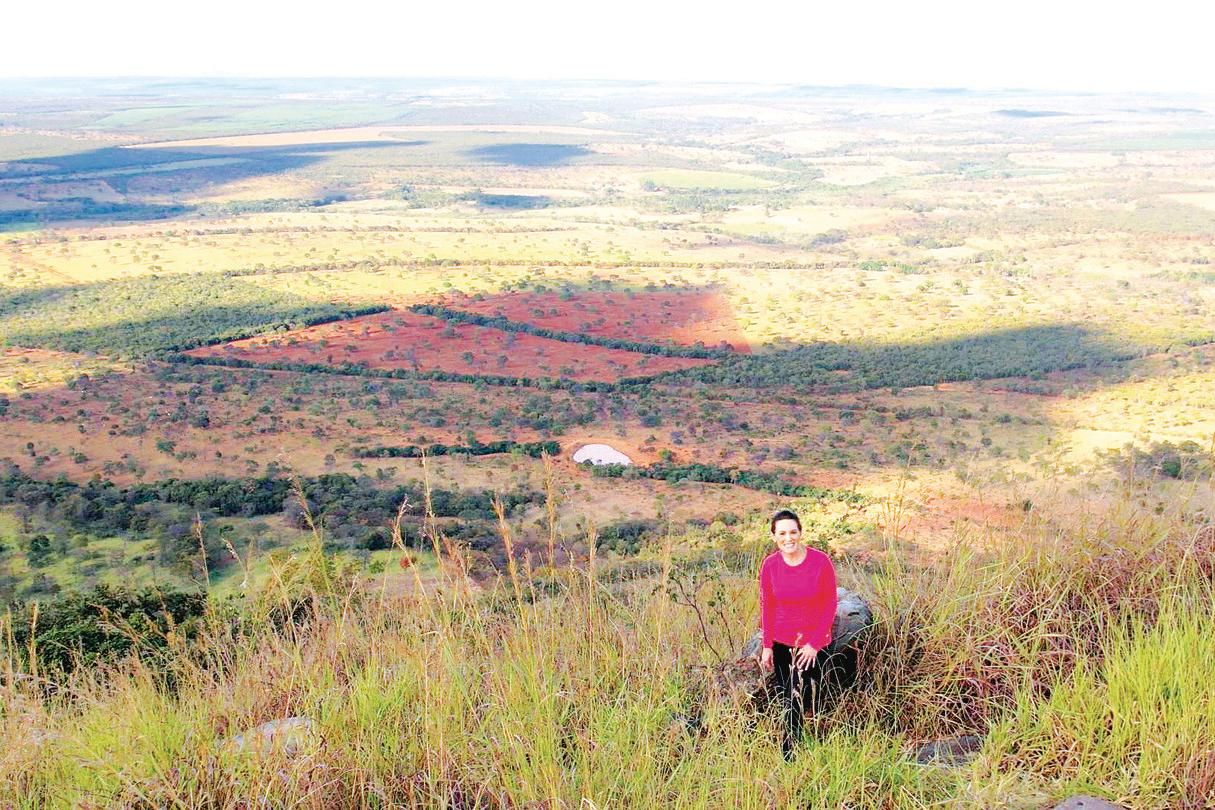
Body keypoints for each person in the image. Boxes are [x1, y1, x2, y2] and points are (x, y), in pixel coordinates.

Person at [758, 508, 837, 760]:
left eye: (793, 532)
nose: (788, 538)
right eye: (782, 533)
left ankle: (816, 747)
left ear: (800, 533)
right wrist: (768, 645)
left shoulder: (820, 561)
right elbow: (767, 605)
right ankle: (791, 752)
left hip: (814, 643)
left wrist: (813, 644)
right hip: (783, 642)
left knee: (814, 694)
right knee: (789, 697)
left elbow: (829, 605)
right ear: (774, 536)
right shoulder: (770, 565)